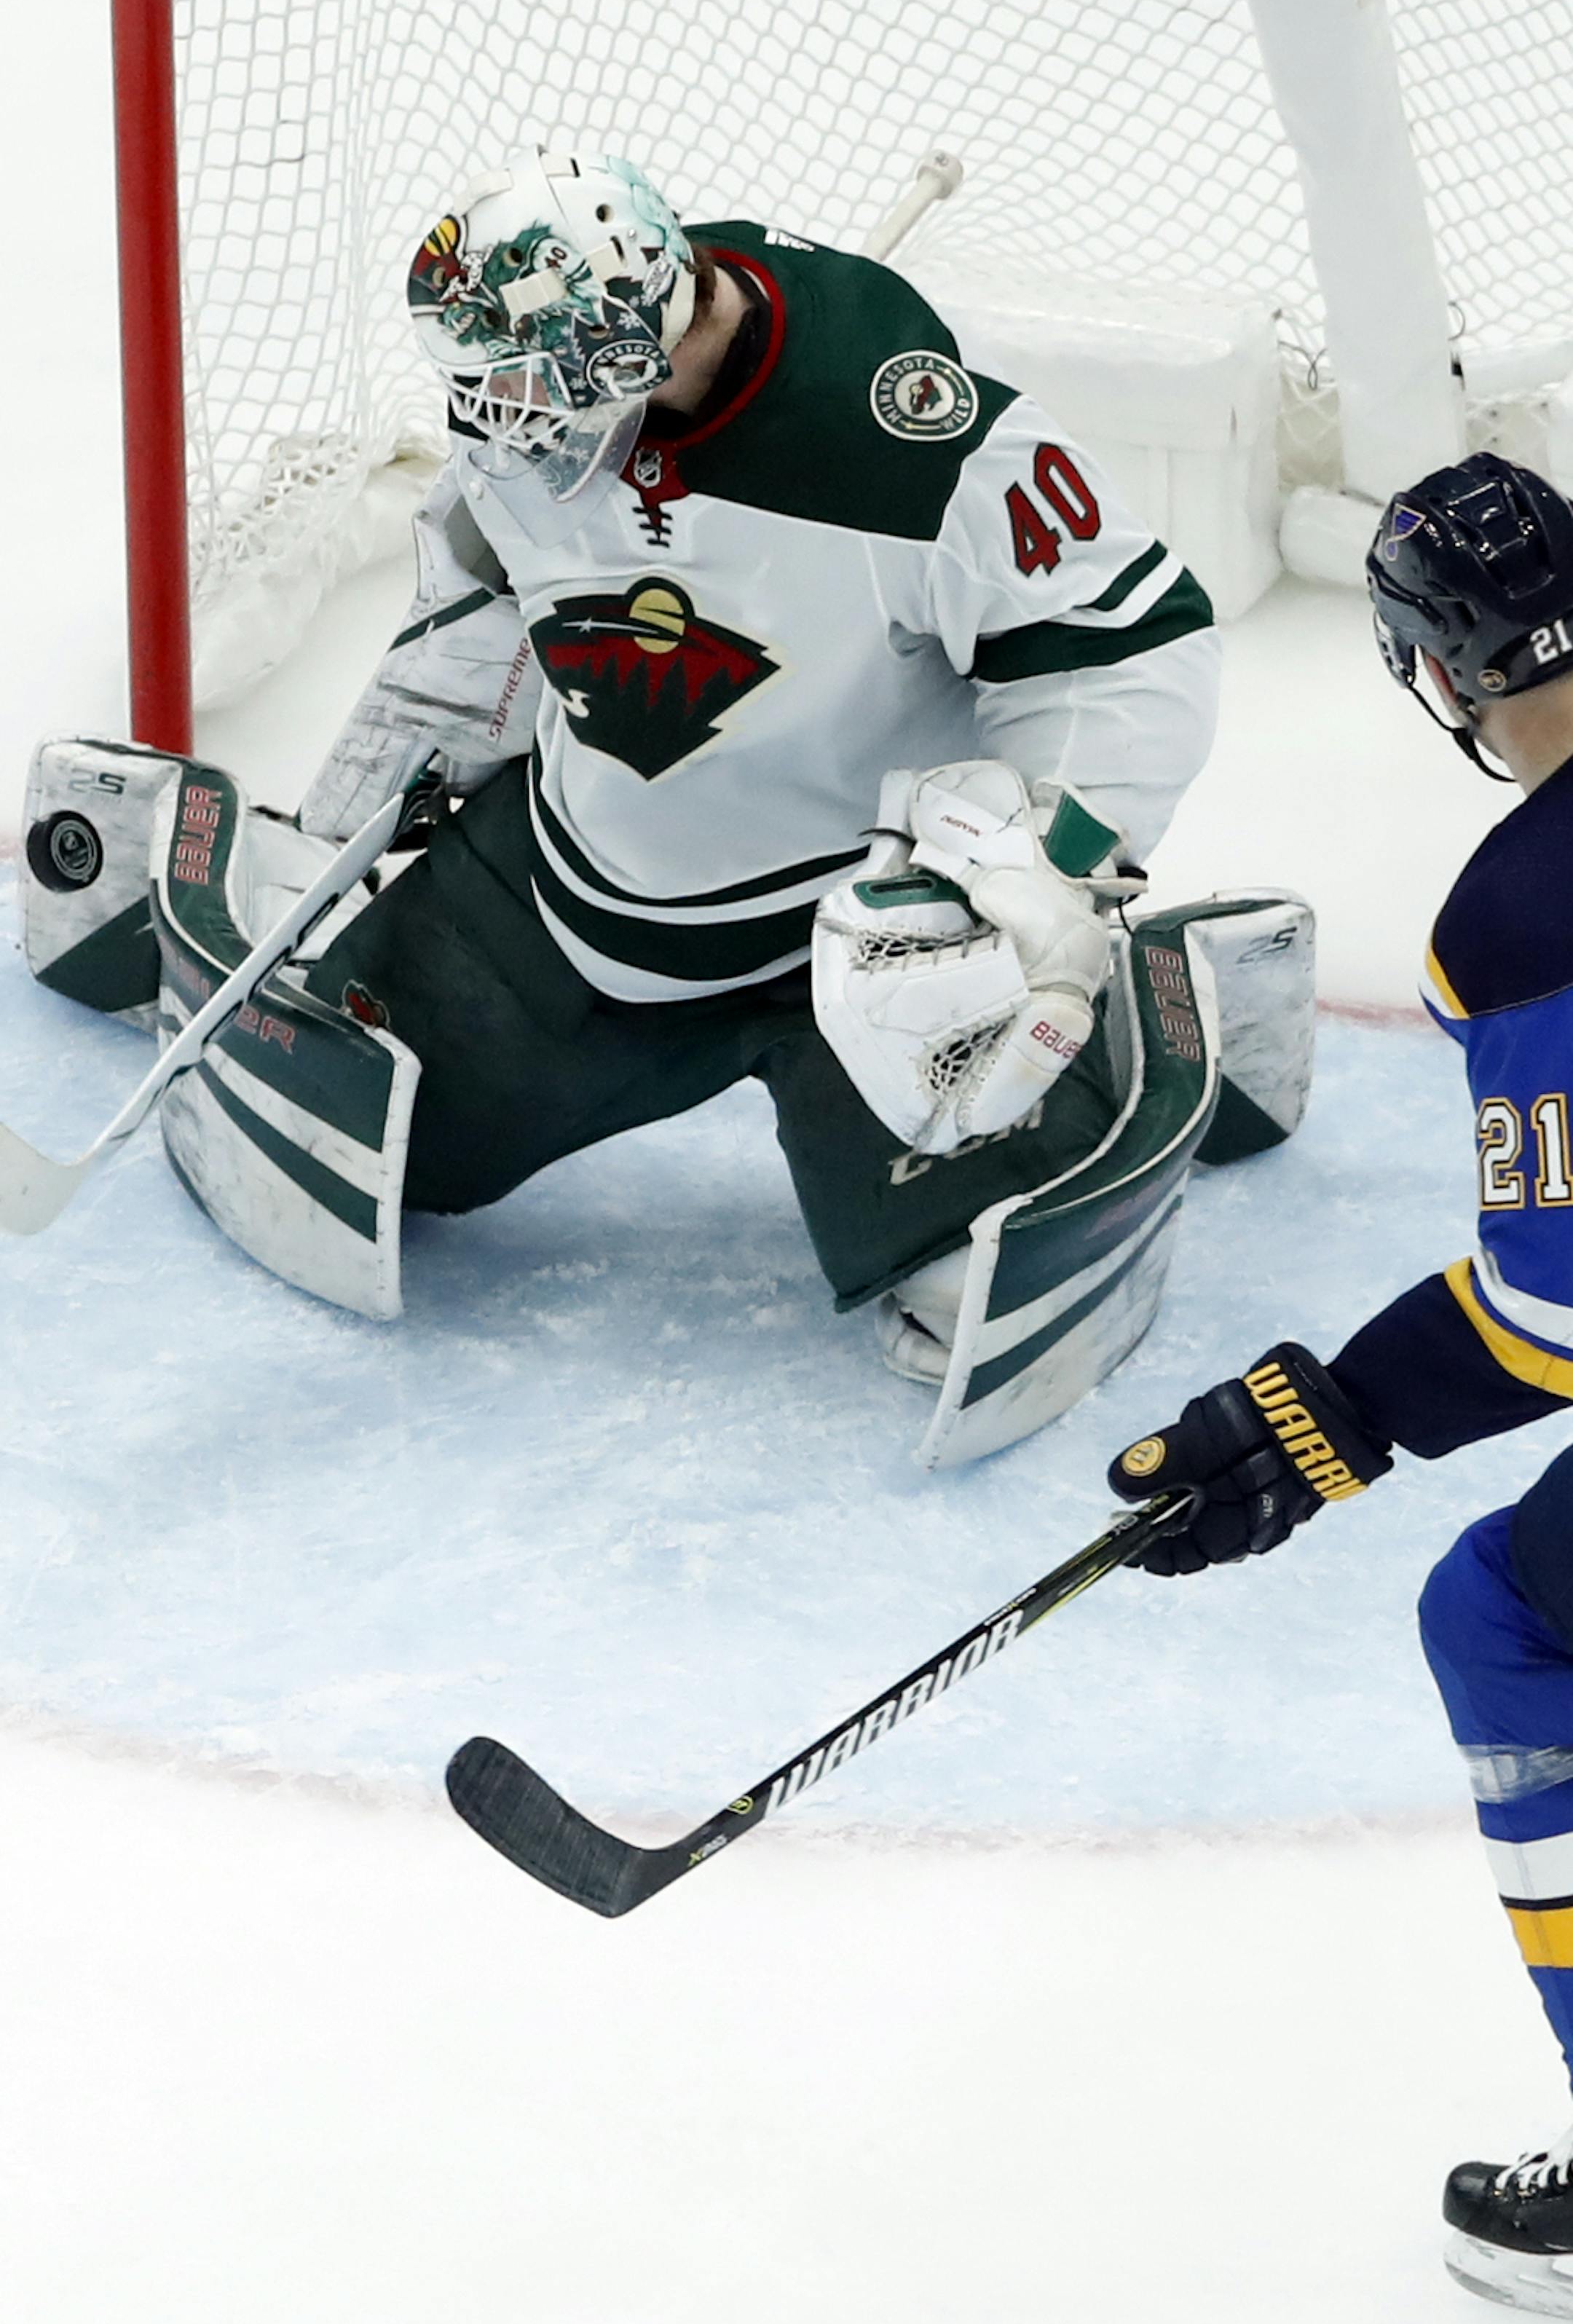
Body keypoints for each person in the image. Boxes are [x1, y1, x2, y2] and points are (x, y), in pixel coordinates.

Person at [21, 144, 1306, 1462]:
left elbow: (1124, 647)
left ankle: (1153, 1002)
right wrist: (359, 817)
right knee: (394, 1150)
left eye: (526, 383)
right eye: (482, 382)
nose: (497, 417)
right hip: (578, 893)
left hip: (856, 942)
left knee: (962, 1276)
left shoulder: (912, 438)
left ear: (636, 339)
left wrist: (1051, 868)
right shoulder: (535, 408)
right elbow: (483, 594)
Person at [1105, 450, 1573, 2320]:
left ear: (1436, 674)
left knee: (1507, 1621)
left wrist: (1326, 1422)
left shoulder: (1532, 912)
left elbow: (1550, 1312)